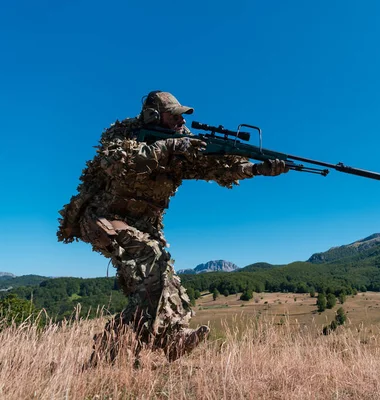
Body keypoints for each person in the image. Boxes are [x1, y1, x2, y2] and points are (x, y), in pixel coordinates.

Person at [57, 91, 288, 362]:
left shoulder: (183, 145)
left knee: (164, 282)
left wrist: (255, 169)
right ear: (154, 115)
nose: (180, 121)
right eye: (174, 115)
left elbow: (215, 166)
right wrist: (168, 148)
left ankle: (166, 340)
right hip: (103, 218)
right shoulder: (125, 135)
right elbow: (116, 162)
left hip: (144, 226)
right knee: (151, 258)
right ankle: (118, 349)